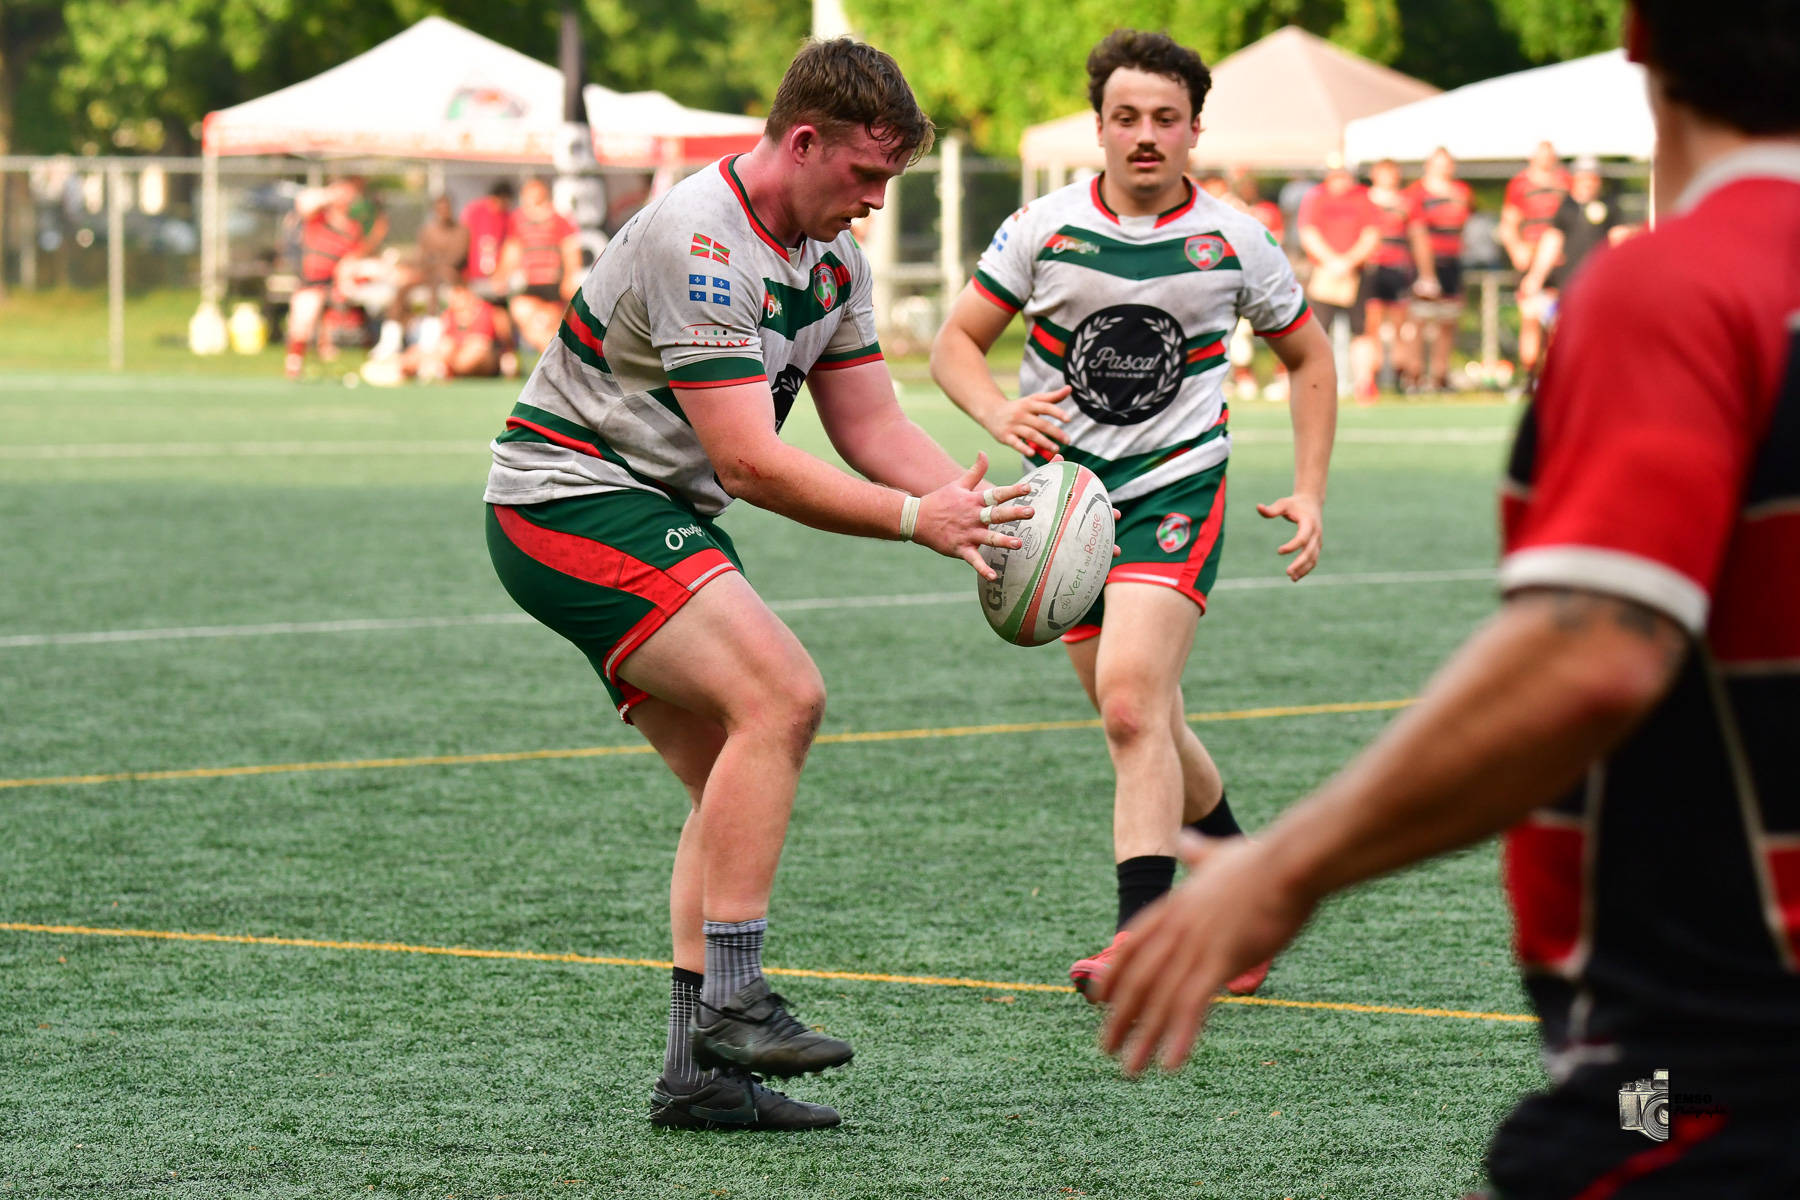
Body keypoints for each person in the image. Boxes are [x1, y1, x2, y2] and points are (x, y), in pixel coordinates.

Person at [1097, 4, 1800, 1196]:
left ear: (1641, 42)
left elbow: (1591, 653)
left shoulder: (1677, 286)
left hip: (1718, 1049)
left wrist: (1284, 869)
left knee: (1606, 1143)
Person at [484, 38, 1033, 1132]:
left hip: (652, 514)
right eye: (865, 176)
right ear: (801, 141)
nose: (875, 204)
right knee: (783, 696)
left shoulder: (834, 261)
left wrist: (1003, 516)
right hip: (567, 503)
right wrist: (916, 521)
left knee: (731, 782)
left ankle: (696, 1074)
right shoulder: (700, 239)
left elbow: (871, 424)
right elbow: (747, 461)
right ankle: (734, 1000)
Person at [931, 29, 1337, 1003]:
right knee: (1149, 720)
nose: (1145, 136)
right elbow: (954, 342)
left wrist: (1312, 487)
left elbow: (1310, 360)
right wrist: (997, 410)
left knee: (1127, 705)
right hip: (1064, 503)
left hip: (1176, 489)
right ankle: (1255, 894)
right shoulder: (1043, 227)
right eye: (1126, 118)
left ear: (1195, 129)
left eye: (1165, 118)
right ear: (1099, 128)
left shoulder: (1238, 238)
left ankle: (1146, 936)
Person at [1298, 160, 1381, 401]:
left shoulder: (1362, 198)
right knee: (1317, 331)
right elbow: (1308, 232)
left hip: (1356, 273)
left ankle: (1364, 384)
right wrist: (1331, 261)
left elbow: (1371, 234)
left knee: (1362, 330)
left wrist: (1348, 262)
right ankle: (1313, 382)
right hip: (1323, 272)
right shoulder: (1316, 197)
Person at [1517, 155, 1622, 324]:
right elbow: (1552, 241)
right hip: (1569, 282)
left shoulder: (1610, 206)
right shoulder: (1566, 207)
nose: (1589, 182)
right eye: (1584, 177)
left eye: (1593, 177)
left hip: (1600, 282)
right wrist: (1535, 277)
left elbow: (1618, 238)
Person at [1498, 141, 1571, 376]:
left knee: (1556, 321)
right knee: (1530, 318)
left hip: (1559, 262)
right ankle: (1530, 374)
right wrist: (1516, 249)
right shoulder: (1520, 184)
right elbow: (1508, 224)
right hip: (1530, 259)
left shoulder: (1565, 181)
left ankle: (1553, 374)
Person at [1406, 148, 1475, 392]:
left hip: (1452, 261)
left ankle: (1439, 376)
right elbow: (1417, 231)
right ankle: (1413, 375)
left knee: (1448, 320)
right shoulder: (1417, 193)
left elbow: (1464, 225)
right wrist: (1427, 274)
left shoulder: (1462, 192)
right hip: (1424, 263)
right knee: (1420, 319)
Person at [285, 180, 367, 380]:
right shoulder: (319, 218)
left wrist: (343, 282)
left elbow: (350, 260)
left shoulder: (352, 228)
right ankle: (294, 363)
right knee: (302, 324)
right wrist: (330, 194)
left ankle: (328, 350)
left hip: (333, 283)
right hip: (311, 281)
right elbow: (303, 202)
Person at [499, 177, 583, 352]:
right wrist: (502, 275)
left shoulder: (558, 219)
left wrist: (569, 277)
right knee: (523, 313)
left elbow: (570, 249)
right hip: (528, 285)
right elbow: (512, 249)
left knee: (549, 324)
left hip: (552, 285)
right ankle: (551, 354)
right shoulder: (518, 219)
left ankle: (555, 356)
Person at [363, 283, 499, 385]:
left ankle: (428, 369)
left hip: (479, 360)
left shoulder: (483, 311)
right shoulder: (450, 315)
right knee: (441, 348)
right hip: (452, 357)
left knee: (467, 352)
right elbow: (445, 343)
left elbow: (478, 346)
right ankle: (400, 365)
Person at [1363, 158, 1419, 390]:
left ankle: (1399, 375)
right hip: (1372, 267)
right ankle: (1371, 376)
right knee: (1372, 324)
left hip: (1397, 268)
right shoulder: (1364, 200)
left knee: (1399, 325)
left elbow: (1417, 236)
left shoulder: (1406, 202)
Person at [462, 181, 514, 293]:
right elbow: (464, 234)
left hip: (494, 274)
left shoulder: (506, 216)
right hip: (473, 272)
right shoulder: (476, 210)